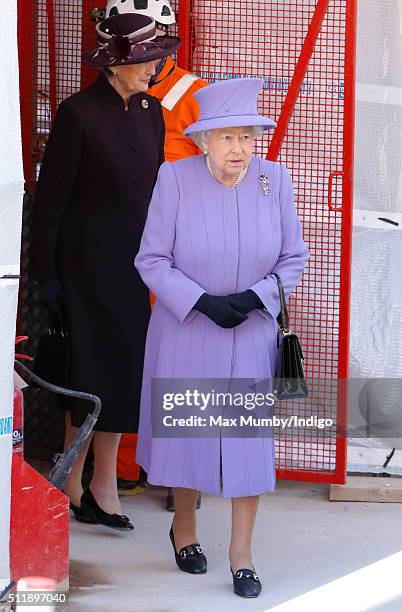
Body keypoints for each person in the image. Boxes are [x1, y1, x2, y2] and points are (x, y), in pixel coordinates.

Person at [134, 77, 309, 597]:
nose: (240, 148)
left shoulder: (273, 180)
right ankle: (184, 529)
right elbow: (151, 259)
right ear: (203, 140)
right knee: (190, 432)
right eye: (227, 137)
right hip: (188, 328)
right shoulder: (175, 177)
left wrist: (258, 298)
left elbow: (293, 258)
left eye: (249, 136)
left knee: (246, 442)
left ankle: (241, 554)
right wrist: (202, 302)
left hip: (252, 330)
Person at [30, 13, 180, 530]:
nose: (152, 66)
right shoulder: (77, 114)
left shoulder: (152, 112)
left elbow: (154, 196)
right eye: (141, 59)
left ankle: (101, 483)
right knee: (85, 374)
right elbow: (51, 203)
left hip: (133, 267)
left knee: (123, 374)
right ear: (114, 65)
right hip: (83, 269)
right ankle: (73, 482)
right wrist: (45, 275)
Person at [105, 0, 208, 507]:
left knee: (182, 356)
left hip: (180, 250)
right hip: (126, 241)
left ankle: (181, 473)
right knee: (130, 350)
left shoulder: (196, 95)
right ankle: (125, 469)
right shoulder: (109, 91)